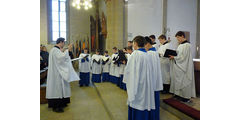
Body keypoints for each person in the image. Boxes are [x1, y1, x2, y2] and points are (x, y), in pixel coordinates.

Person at [123, 36, 155, 120]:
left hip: (138, 86)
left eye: (133, 43)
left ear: (136, 44)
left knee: (137, 103)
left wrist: (127, 82)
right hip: (146, 84)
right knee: (144, 104)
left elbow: (130, 71)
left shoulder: (135, 54)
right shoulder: (147, 54)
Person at [46, 38, 80, 113]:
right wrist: (68, 50)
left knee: (61, 88)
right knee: (57, 89)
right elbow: (61, 58)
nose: (64, 44)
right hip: (56, 74)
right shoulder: (55, 50)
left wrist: (66, 51)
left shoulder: (54, 50)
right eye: (63, 43)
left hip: (58, 72)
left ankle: (62, 103)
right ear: (60, 42)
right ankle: (57, 106)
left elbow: (62, 58)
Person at [169, 31, 196, 102]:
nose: (177, 39)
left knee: (184, 81)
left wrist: (174, 57)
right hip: (179, 67)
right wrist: (173, 55)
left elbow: (184, 57)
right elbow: (179, 55)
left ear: (182, 36)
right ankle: (179, 95)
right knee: (178, 81)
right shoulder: (180, 45)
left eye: (178, 38)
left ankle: (185, 97)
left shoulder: (187, 45)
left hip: (184, 67)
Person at [144, 36, 163, 120]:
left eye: (143, 46)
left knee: (151, 101)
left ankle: (152, 117)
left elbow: (148, 69)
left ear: (147, 44)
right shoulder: (154, 52)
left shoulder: (149, 54)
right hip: (155, 80)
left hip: (151, 81)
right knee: (155, 100)